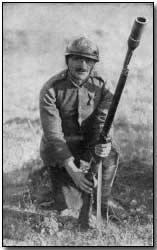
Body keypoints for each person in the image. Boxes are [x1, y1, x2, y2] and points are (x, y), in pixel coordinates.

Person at [39, 37, 121, 228]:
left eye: (88, 60)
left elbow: (103, 123)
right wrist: (72, 169)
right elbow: (53, 135)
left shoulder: (103, 86)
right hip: (61, 150)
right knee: (70, 207)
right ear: (67, 61)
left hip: (89, 144)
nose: (82, 64)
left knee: (110, 153)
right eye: (76, 58)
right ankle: (51, 177)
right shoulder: (51, 89)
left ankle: (103, 200)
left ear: (94, 64)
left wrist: (103, 144)